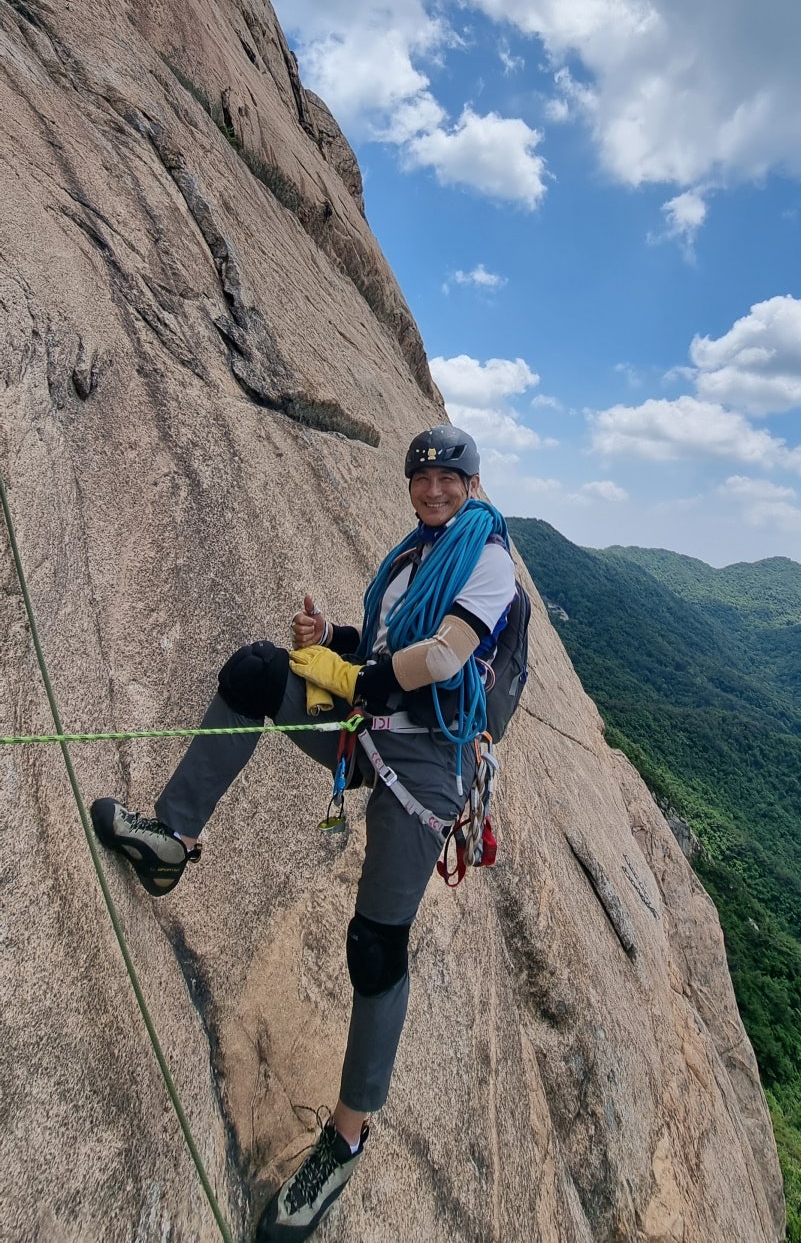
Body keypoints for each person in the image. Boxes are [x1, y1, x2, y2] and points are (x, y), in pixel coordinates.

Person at [90, 426, 516, 1242]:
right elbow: (389, 646)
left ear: (472, 482)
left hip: (430, 757)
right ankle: (172, 840)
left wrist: (357, 676)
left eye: (446, 478)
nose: (432, 490)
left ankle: (348, 1137)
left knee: (374, 945)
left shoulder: (487, 559)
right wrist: (332, 647)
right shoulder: (411, 557)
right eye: (421, 479)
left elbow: (446, 657)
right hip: (373, 723)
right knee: (258, 671)